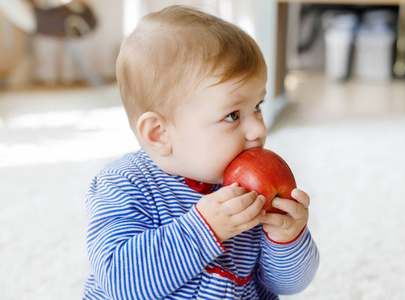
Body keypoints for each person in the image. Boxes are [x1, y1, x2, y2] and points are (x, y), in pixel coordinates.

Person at [83, 5, 319, 299]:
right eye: (233, 115)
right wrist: (204, 229)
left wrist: (287, 238)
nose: (258, 128)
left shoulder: (252, 191)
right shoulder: (123, 185)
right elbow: (120, 282)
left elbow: (288, 286)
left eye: (257, 106)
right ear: (160, 133)